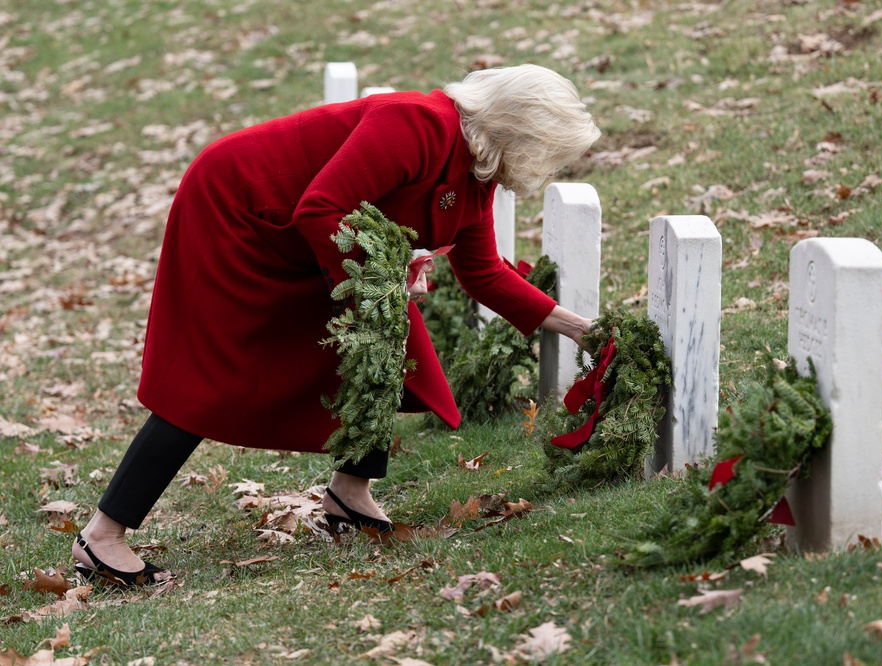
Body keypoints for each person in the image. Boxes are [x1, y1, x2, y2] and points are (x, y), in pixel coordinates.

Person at [71, 63, 601, 586]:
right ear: (521, 133)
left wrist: (583, 330)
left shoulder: (474, 177)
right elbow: (319, 208)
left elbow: (485, 275)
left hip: (304, 235)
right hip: (238, 207)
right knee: (209, 377)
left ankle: (350, 493)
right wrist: (385, 277)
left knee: (386, 339)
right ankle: (102, 537)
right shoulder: (416, 123)